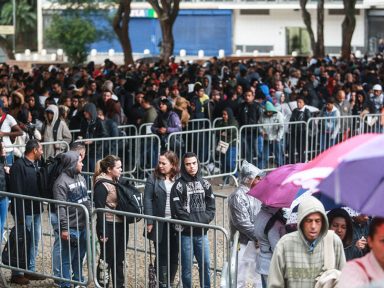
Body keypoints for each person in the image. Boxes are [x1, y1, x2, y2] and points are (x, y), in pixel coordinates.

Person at [268, 196, 346, 288]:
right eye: (309, 221)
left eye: (317, 221)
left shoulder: (333, 241)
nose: (313, 226)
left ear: (323, 222)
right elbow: (274, 284)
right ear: (301, 221)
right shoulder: (285, 244)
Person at [171, 152, 216, 288]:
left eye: (194, 163)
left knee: (206, 266)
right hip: (185, 235)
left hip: (202, 234)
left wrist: (204, 220)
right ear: (184, 166)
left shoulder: (206, 184)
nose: (191, 167)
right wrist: (195, 221)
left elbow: (212, 207)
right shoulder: (178, 186)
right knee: (187, 269)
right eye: (188, 164)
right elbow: (177, 210)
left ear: (198, 163)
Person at [9, 139, 45, 285]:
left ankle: (30, 269)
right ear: (34, 150)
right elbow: (16, 191)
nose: (42, 152)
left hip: (35, 209)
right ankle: (17, 273)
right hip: (24, 211)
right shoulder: (18, 166)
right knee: (22, 241)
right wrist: (19, 214)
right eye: (41, 149)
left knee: (34, 241)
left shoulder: (36, 164)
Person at [53, 151, 91, 288]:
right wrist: (64, 228)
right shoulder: (60, 183)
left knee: (80, 256)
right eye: (80, 162)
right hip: (71, 227)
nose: (82, 164)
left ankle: (78, 280)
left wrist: (90, 218)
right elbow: (60, 207)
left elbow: (86, 199)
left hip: (83, 225)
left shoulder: (80, 177)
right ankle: (66, 284)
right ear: (72, 164)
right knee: (67, 258)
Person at [144, 151, 180, 288]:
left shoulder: (180, 177)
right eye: (159, 162)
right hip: (160, 222)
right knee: (161, 254)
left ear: (173, 164)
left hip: (176, 222)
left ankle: (169, 280)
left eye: (164, 163)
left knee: (174, 253)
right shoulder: (153, 177)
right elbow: (147, 199)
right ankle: (162, 282)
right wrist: (149, 221)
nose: (160, 165)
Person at [228, 160, 264, 287]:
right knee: (238, 276)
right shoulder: (237, 196)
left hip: (255, 242)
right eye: (257, 178)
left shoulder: (256, 194)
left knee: (258, 275)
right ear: (249, 179)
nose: (260, 181)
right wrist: (259, 236)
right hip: (241, 242)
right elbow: (242, 222)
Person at [93, 155, 127, 288]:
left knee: (119, 259)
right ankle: (102, 284)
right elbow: (100, 209)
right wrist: (102, 231)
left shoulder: (117, 180)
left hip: (120, 222)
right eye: (118, 167)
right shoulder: (101, 184)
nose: (121, 170)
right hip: (108, 224)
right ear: (109, 169)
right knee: (106, 259)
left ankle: (119, 285)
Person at [338, 217, 384, 287]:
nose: (366, 216)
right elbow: (342, 253)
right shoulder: (347, 225)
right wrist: (355, 247)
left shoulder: (370, 224)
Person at [255, 205, 287, 288]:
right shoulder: (273, 222)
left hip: (262, 260)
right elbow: (276, 248)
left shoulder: (261, 213)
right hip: (271, 265)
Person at [258, 101, 285, 169]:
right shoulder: (262, 115)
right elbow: (259, 124)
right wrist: (261, 131)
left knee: (278, 155)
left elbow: (282, 127)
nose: (268, 113)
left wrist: (278, 138)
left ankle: (281, 169)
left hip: (276, 138)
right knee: (264, 155)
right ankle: (261, 170)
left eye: (269, 112)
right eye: (267, 112)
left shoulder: (279, 115)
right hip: (267, 138)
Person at [215, 107, 238, 176]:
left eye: (225, 114)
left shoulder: (233, 121)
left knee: (229, 162)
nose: (223, 116)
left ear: (229, 115)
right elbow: (217, 130)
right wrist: (223, 130)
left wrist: (224, 129)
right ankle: (225, 179)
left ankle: (237, 176)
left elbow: (230, 130)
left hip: (231, 144)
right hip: (222, 144)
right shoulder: (221, 121)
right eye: (223, 114)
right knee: (223, 162)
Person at [288, 96, 311, 163]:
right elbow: (291, 120)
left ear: (304, 103)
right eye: (297, 102)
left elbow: (309, 122)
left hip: (302, 133)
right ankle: (291, 163)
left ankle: (302, 163)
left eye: (300, 102)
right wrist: (290, 127)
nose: (298, 104)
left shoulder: (307, 111)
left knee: (300, 150)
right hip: (293, 132)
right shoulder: (295, 110)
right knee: (291, 149)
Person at [0, 99, 23, 165]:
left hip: (7, 150)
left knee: (8, 172)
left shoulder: (8, 118)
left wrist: (4, 134)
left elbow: (21, 132)